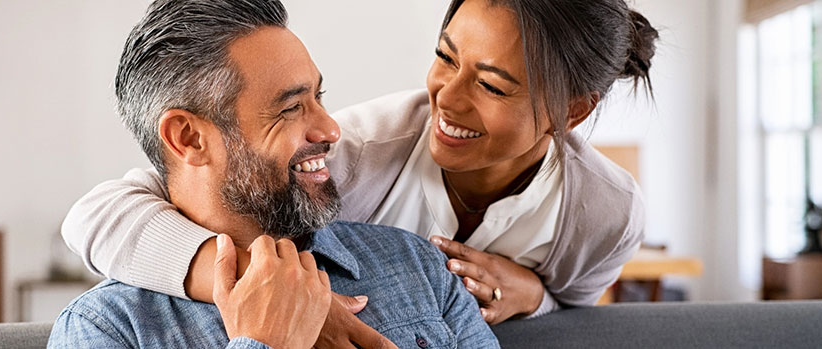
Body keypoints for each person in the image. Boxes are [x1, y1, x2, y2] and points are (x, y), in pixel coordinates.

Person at [62, 0, 657, 329]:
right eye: (445, 58)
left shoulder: (605, 212)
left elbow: (575, 312)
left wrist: (534, 294)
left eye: (494, 87)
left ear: (571, 112)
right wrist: (252, 283)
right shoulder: (353, 153)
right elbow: (112, 208)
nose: (446, 99)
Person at [49, 0, 498, 347]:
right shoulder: (108, 329)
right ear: (188, 138)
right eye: (289, 109)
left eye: (319, 97)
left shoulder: (418, 266)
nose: (330, 128)